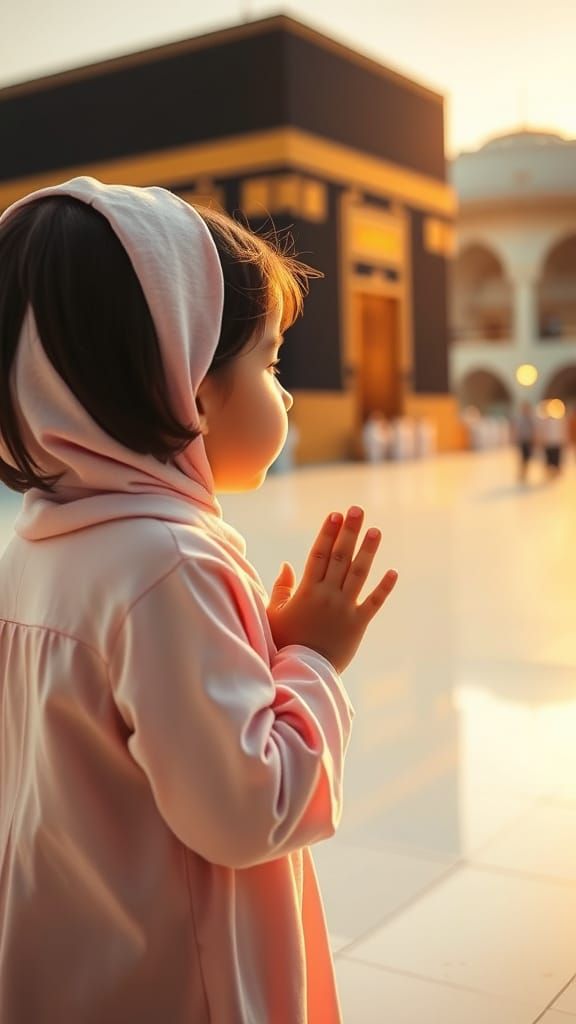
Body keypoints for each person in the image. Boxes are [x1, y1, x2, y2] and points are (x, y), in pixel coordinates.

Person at [0, 177, 399, 1024]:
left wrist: (264, 647)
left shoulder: (38, 547)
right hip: (180, 980)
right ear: (190, 387)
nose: (284, 393)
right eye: (269, 361)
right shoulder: (169, 563)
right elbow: (249, 807)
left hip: (74, 956)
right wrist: (317, 662)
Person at [538, 405, 569, 479]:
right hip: (548, 443)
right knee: (549, 459)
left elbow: (563, 431)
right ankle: (549, 474)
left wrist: (564, 441)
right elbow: (542, 431)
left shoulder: (560, 421)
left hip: (557, 442)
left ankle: (555, 474)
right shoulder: (545, 421)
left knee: (556, 459)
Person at [510, 401, 537, 483]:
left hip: (529, 440)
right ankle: (522, 472)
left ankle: (525, 471)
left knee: (527, 457)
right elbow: (515, 429)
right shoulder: (519, 418)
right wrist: (514, 438)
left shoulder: (531, 418)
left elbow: (534, 429)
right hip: (522, 440)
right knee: (522, 457)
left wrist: (535, 438)